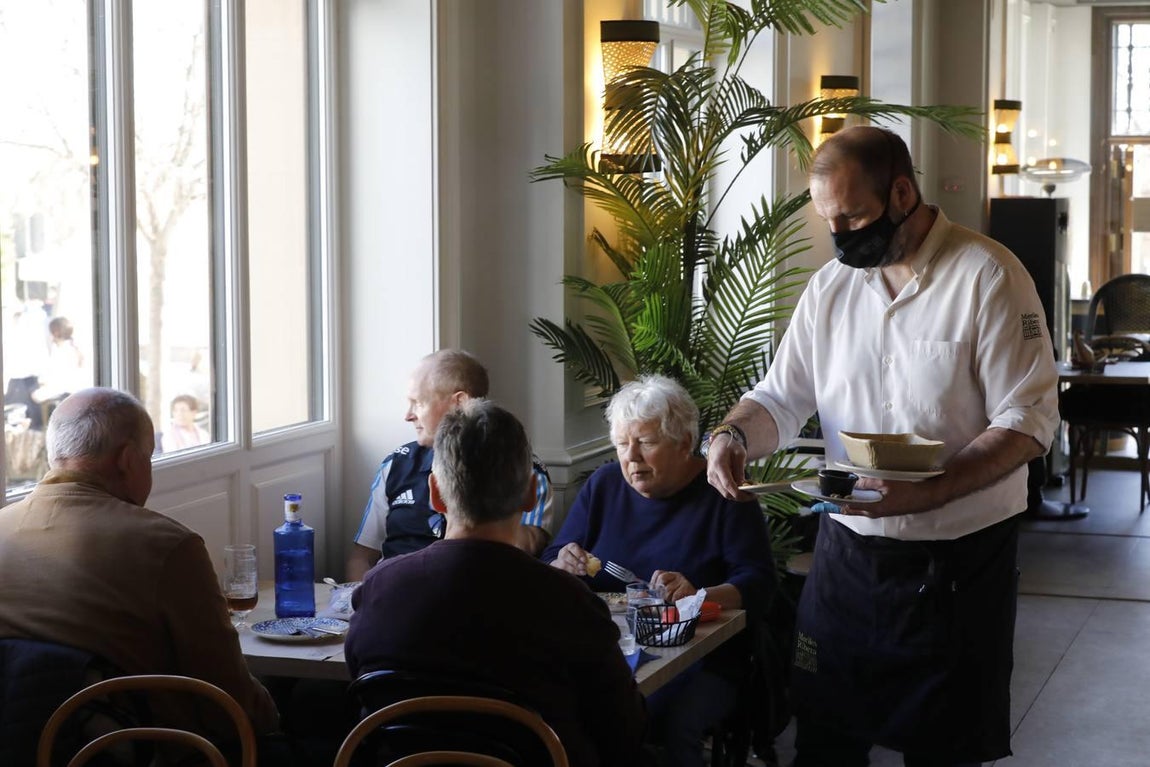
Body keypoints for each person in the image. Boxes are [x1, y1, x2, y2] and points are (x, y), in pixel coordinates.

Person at [704, 126, 1060, 767]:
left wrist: (932, 489)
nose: (840, 236)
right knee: (824, 744)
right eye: (829, 220)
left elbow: (1028, 422)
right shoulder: (831, 289)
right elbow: (780, 398)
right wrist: (731, 434)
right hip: (847, 562)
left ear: (902, 191)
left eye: (854, 216)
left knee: (944, 752)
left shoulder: (989, 276)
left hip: (958, 565)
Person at [345, 399, 648, 766]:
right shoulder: (568, 602)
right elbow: (623, 731)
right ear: (530, 494)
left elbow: (363, 701)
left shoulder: (377, 590)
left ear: (435, 494)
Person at [0, 387, 279, 749]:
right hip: (142, 749)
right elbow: (225, 696)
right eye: (149, 457)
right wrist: (276, 718)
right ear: (127, 459)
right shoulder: (167, 545)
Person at [542, 375, 774, 767]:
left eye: (645, 443)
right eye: (621, 444)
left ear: (684, 443)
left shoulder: (723, 494)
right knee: (566, 708)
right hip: (611, 647)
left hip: (704, 658)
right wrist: (560, 562)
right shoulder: (604, 485)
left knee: (661, 721)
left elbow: (759, 584)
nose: (630, 457)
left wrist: (698, 595)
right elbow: (552, 555)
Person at [347, 349, 553, 580]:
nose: (408, 415)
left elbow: (525, 549)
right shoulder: (396, 465)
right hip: (391, 594)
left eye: (418, 403)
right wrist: (362, 600)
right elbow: (362, 556)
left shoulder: (519, 467)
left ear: (460, 403)